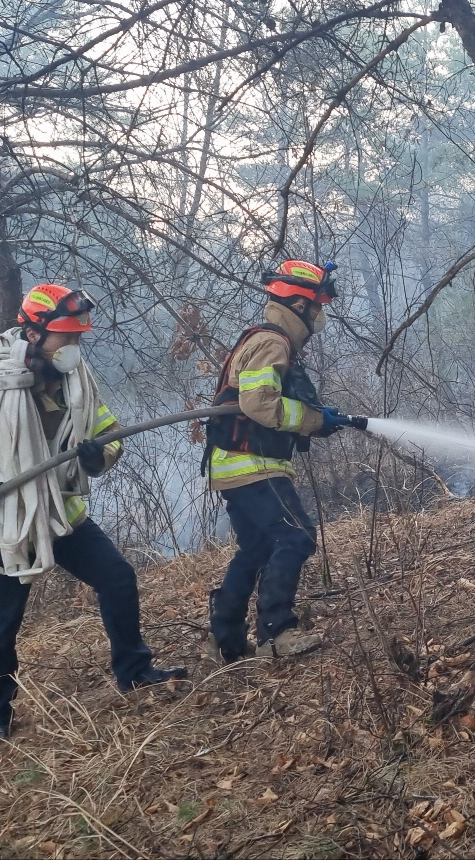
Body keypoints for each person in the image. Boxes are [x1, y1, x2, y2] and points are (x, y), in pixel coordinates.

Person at [0, 284, 186, 749]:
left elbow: (110, 431)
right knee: (1, 625)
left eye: (78, 340)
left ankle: (134, 671)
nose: (73, 349)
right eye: (65, 339)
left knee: (117, 577)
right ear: (33, 333)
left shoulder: (75, 382)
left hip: (60, 515)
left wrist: (99, 455)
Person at [204, 259, 357, 662]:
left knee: (255, 548)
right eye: (318, 305)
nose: (320, 315)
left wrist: (319, 420)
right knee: (297, 535)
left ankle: (227, 640)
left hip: (234, 466)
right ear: (301, 305)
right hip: (252, 464)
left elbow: (265, 400)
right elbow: (258, 403)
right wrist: (310, 420)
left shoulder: (268, 339)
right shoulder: (273, 342)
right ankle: (277, 633)